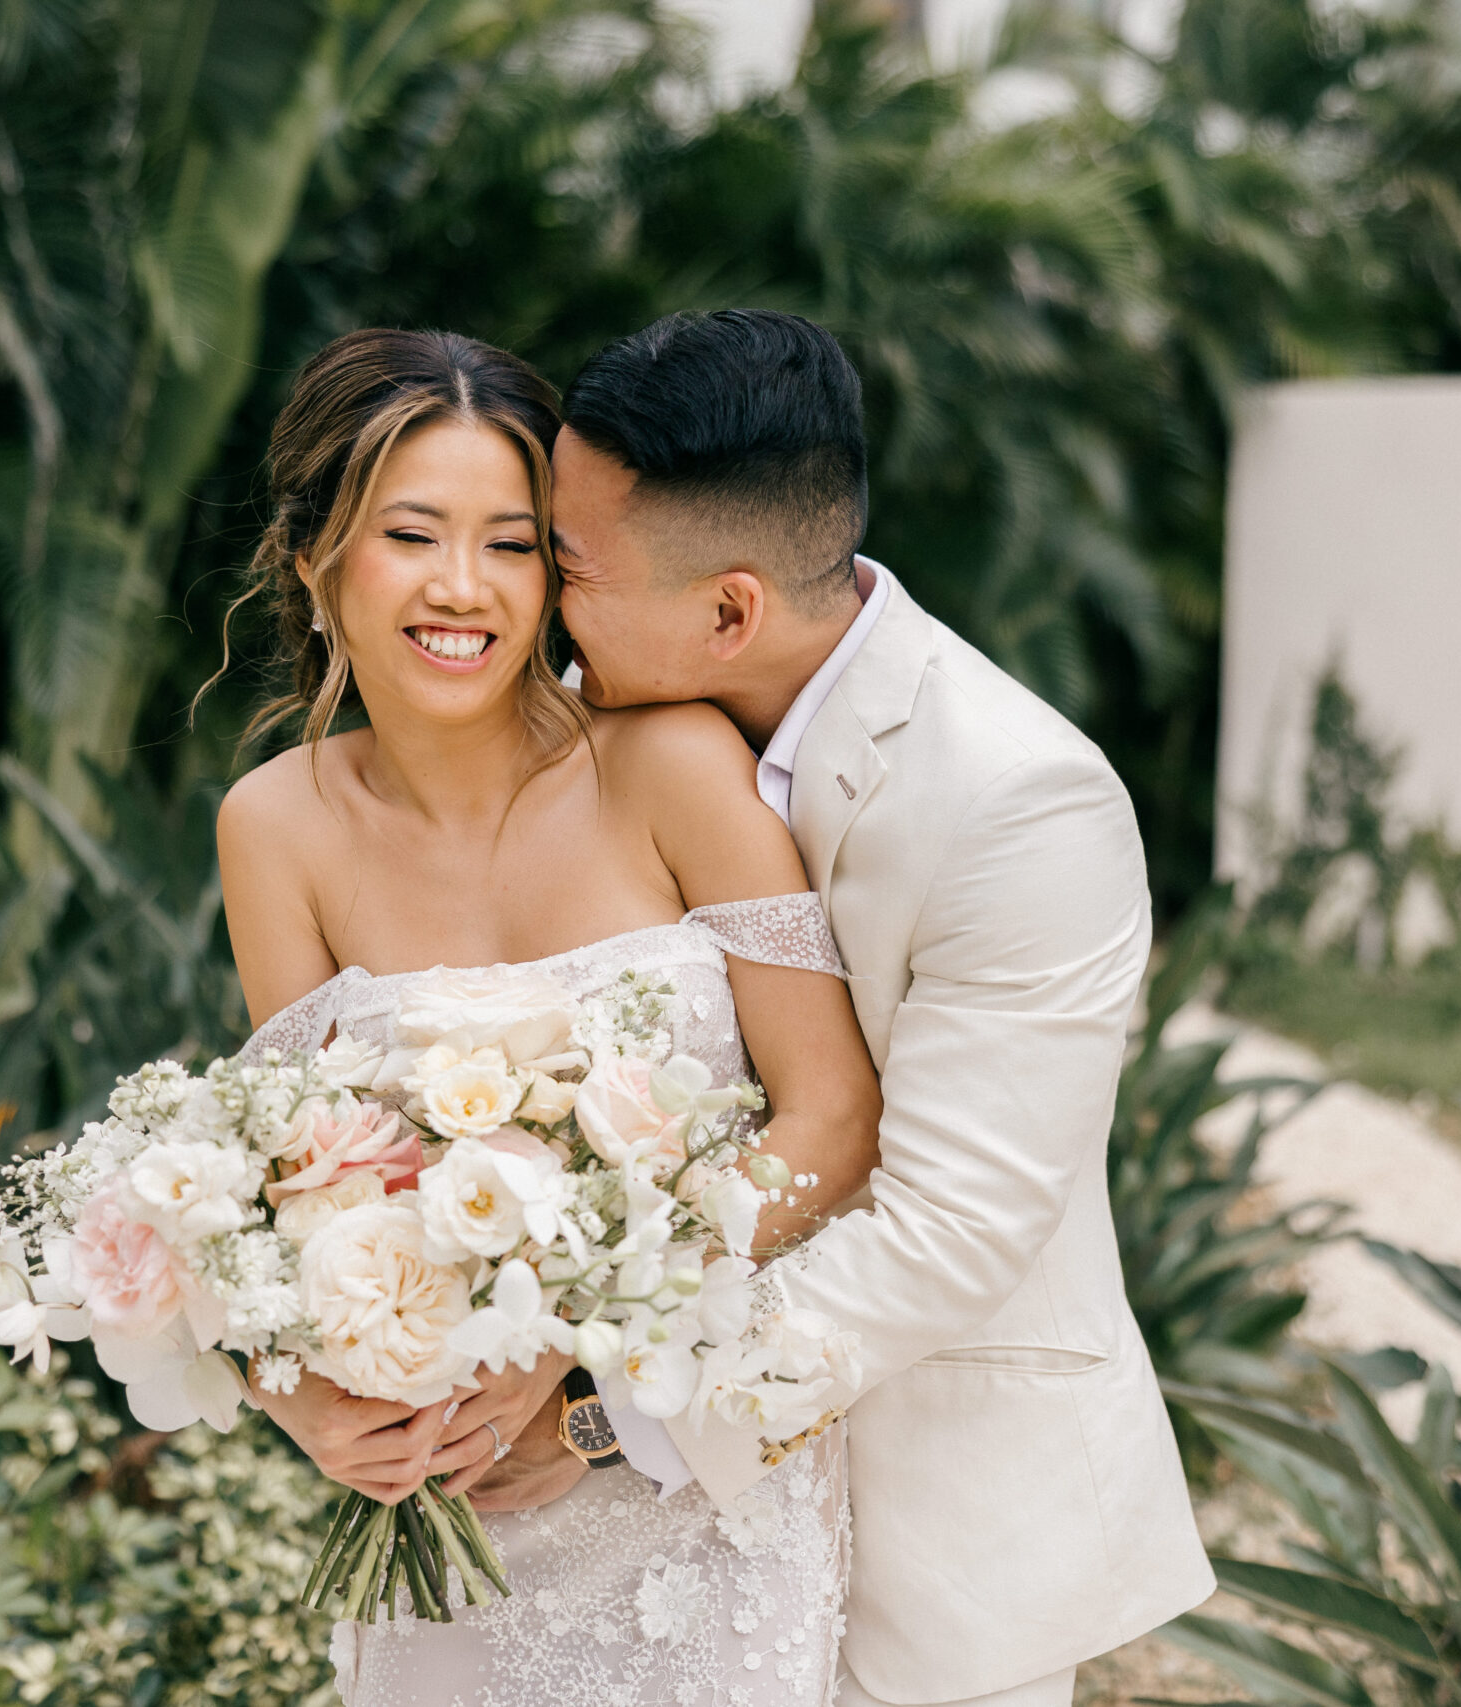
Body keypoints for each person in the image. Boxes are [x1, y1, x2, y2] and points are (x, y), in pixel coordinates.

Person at [504, 308, 1215, 1707]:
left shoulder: (1020, 801)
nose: (536, 597)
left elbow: (952, 1229)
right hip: (651, 1557)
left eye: (565, 564)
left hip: (933, 1538)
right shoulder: (587, 753)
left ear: (728, 613)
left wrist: (599, 1417)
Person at [216, 325, 887, 1706]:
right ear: (315, 558)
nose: (463, 589)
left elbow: (834, 1119)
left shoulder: (673, 768)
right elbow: (289, 1188)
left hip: (689, 1497)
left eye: (513, 545)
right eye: (412, 534)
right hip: (450, 1524)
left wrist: (582, 1376)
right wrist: (308, 1407)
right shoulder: (274, 828)